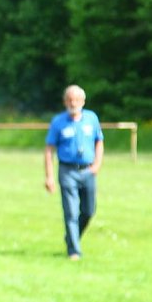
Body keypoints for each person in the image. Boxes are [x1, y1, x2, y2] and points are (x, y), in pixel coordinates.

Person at [44, 84, 104, 261]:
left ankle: (72, 235)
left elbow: (99, 142)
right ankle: (74, 251)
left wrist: (97, 165)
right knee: (70, 211)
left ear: (83, 101)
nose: (73, 102)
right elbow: (49, 150)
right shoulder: (58, 122)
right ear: (64, 101)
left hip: (87, 170)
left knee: (89, 210)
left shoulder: (91, 119)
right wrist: (49, 176)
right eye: (70, 99)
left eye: (77, 99)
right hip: (67, 170)